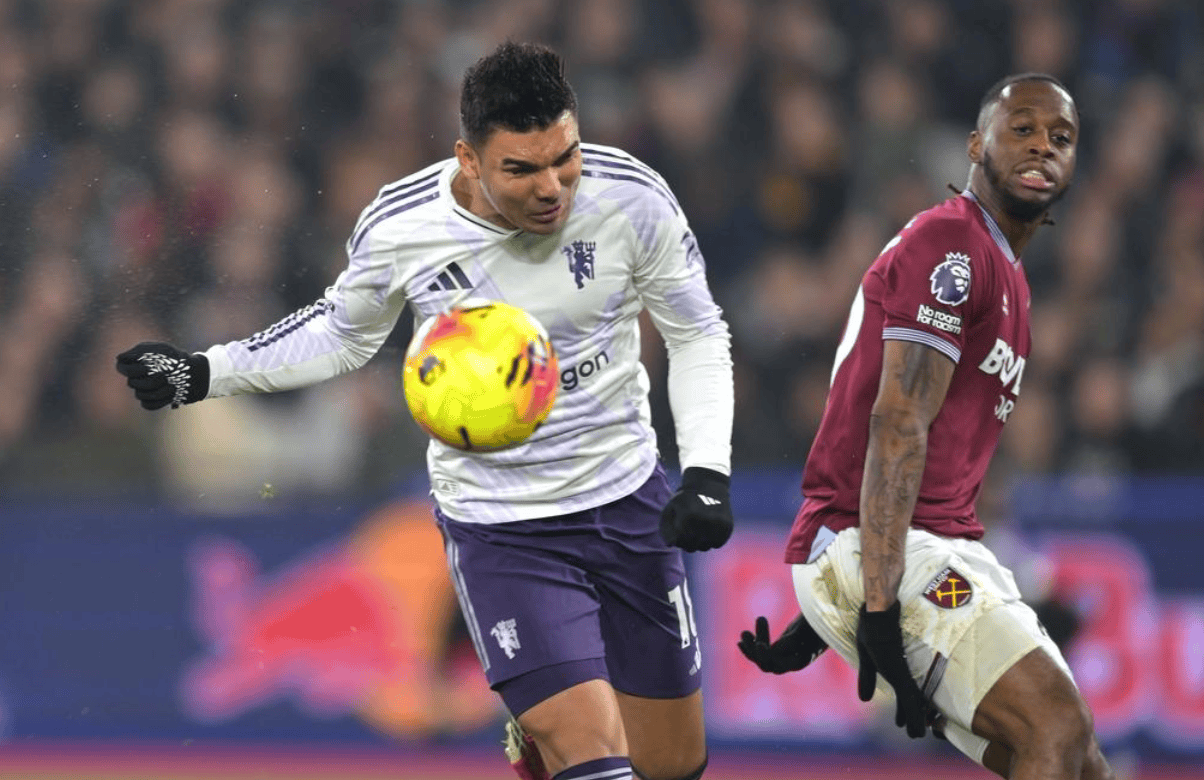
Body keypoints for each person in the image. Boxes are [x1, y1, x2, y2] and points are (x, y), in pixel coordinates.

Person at [116, 42, 734, 780]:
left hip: (627, 501)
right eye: (522, 169)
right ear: (468, 159)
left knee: (672, 764)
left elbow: (696, 332)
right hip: (502, 528)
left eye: (564, 158)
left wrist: (706, 472)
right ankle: (556, 735)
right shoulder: (404, 223)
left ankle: (541, 750)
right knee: (595, 752)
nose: (552, 188)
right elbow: (340, 334)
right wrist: (203, 373)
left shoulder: (631, 197)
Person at [738, 74, 1114, 780]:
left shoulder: (1007, 275)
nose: (1042, 146)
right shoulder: (952, 246)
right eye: (1022, 129)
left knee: (1079, 760)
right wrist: (876, 603)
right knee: (1056, 725)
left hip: (919, 546)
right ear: (975, 146)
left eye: (1060, 137)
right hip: (883, 548)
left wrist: (827, 617)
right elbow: (898, 423)